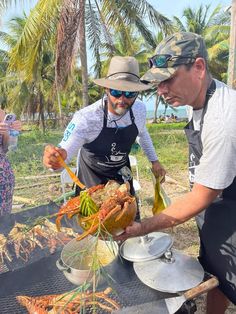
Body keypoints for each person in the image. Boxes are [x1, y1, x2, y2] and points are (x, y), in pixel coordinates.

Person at [115, 32, 236, 313]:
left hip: (229, 211)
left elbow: (201, 196)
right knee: (215, 273)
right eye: (158, 83)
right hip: (217, 211)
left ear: (199, 67)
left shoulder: (223, 119)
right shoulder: (198, 102)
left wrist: (142, 227)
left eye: (168, 79)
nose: (161, 90)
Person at [43, 56, 166, 216]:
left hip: (123, 183)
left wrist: (155, 161)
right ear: (106, 90)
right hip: (91, 186)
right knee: (94, 234)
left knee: (129, 230)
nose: (122, 99)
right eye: (116, 92)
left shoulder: (139, 110)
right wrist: (55, 161)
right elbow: (64, 153)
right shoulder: (86, 118)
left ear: (137, 93)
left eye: (129, 93)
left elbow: (143, 134)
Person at [0, 109, 22, 215]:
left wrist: (9, 132)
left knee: (4, 221)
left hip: (4, 176)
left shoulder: (1, 113)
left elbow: (5, 148)